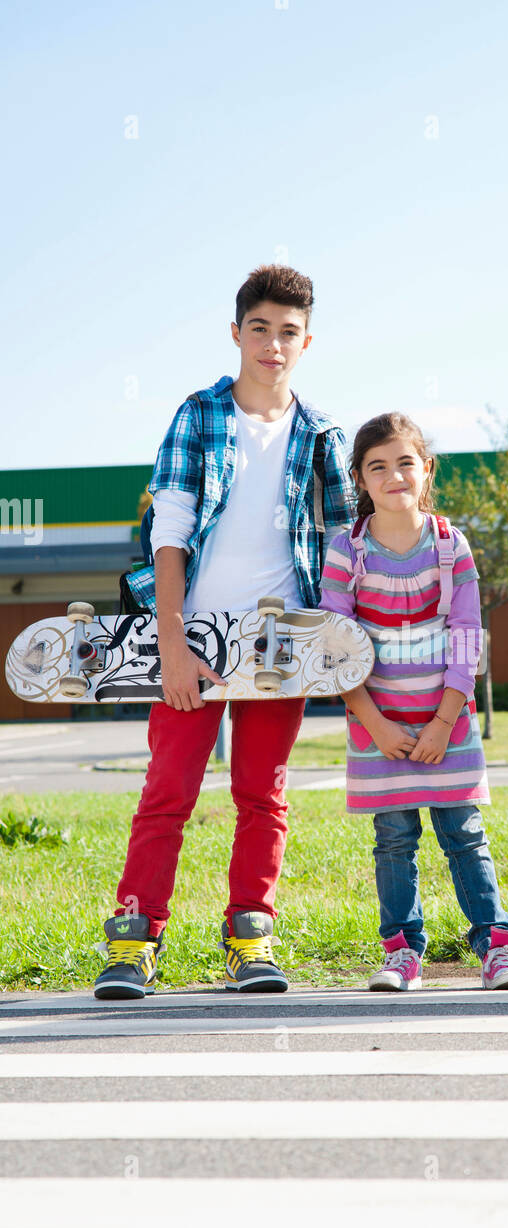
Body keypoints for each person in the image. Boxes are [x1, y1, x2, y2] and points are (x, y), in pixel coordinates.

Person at [94, 264, 355, 999]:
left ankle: (250, 936)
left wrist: (331, 647)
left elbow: (338, 546)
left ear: (308, 343)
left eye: (290, 333)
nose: (274, 344)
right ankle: (135, 941)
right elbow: (168, 536)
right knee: (167, 791)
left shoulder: (320, 434)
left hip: (280, 638)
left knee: (262, 794)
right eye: (261, 329)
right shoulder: (198, 414)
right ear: (237, 333)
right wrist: (172, 642)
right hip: (194, 636)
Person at [318, 412, 508, 991]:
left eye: (405, 462)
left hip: (446, 722)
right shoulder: (346, 552)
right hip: (378, 726)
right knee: (393, 840)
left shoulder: (449, 546)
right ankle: (402, 952)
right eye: (377, 466)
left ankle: (496, 947)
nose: (393, 476)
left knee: (464, 834)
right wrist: (376, 725)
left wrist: (442, 723)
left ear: (426, 469)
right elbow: (335, 648)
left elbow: (466, 639)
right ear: (360, 479)